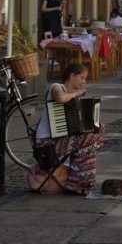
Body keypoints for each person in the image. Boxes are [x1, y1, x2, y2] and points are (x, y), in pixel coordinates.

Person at [28, 62, 104, 194]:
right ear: (72, 75)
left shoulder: (74, 94)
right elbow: (61, 98)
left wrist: (96, 125)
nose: (84, 82)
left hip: (61, 139)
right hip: (46, 143)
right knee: (90, 140)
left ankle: (77, 182)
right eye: (82, 78)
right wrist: (76, 94)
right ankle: (79, 182)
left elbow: (81, 123)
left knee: (93, 138)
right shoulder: (56, 87)